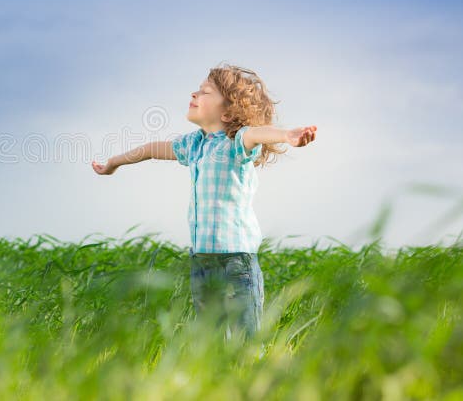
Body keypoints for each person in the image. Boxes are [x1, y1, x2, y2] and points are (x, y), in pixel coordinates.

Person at [91, 62, 317, 347]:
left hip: (236, 260)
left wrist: (286, 136)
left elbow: (257, 133)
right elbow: (150, 150)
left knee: (246, 337)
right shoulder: (194, 144)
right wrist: (114, 163)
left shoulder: (236, 143)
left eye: (205, 91)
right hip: (201, 260)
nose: (194, 94)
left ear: (227, 111)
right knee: (210, 340)